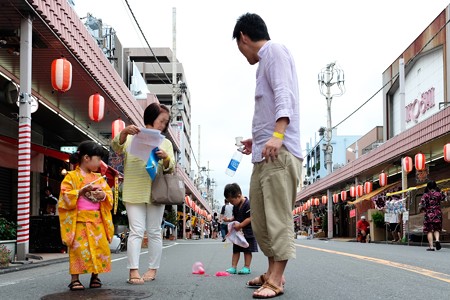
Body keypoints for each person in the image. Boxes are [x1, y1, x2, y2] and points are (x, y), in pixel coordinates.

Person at [233, 13, 303, 298]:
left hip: (280, 151)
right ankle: (272, 271)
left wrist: (277, 134)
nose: (241, 52)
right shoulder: (263, 63)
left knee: (276, 217)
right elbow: (271, 102)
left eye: (238, 46)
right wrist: (259, 139)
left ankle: (276, 278)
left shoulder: (273, 51)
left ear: (243, 38)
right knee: (261, 218)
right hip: (266, 152)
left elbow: (285, 93)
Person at [111, 102, 175, 284]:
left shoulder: (166, 143)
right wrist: (123, 133)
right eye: (161, 121)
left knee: (155, 231)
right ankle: (133, 271)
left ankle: (153, 270)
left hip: (156, 191)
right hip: (134, 189)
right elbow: (116, 147)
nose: (163, 125)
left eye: (165, 123)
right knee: (136, 231)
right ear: (151, 117)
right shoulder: (132, 136)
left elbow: (171, 168)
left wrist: (167, 157)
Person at [58, 140, 114, 291]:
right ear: (86, 158)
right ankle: (74, 279)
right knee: (78, 249)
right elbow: (64, 196)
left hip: (97, 220)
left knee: (99, 247)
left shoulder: (99, 178)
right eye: (98, 159)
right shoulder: (71, 177)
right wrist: (81, 191)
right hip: (80, 220)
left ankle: (95, 276)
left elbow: (109, 196)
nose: (100, 163)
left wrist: (102, 195)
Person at [224, 183, 258, 275]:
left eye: (232, 201)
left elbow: (251, 217)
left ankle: (247, 267)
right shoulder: (235, 206)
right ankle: (233, 267)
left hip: (248, 231)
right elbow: (235, 216)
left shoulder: (248, 204)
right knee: (236, 250)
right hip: (238, 233)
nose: (231, 203)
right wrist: (229, 219)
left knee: (247, 249)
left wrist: (240, 225)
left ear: (239, 196)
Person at [419, 180, 445, 251]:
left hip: (429, 214)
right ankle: (437, 240)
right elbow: (443, 198)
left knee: (429, 230)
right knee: (437, 229)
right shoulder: (439, 194)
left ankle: (431, 247)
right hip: (438, 213)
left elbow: (422, 204)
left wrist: (422, 209)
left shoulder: (425, 195)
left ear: (428, 187)